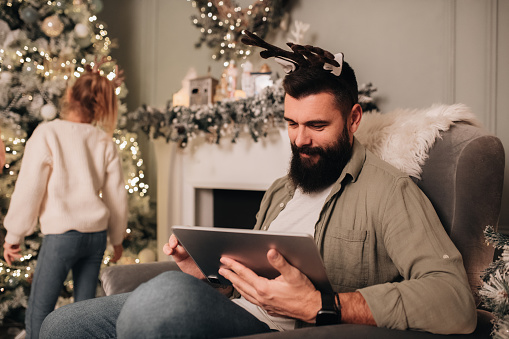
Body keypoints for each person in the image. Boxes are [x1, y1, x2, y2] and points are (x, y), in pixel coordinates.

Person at [39, 33, 476, 338]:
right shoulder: (281, 190)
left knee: (160, 301)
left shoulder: (389, 192)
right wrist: (213, 276)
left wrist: (323, 304)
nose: (301, 139)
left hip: (284, 329)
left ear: (354, 119)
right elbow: (252, 284)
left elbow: (455, 300)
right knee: (60, 326)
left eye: (318, 125)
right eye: (291, 123)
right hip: (232, 311)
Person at [1, 61, 128, 339]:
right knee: (84, 312)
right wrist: (117, 239)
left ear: (70, 96)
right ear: (99, 105)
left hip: (62, 238)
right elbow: (117, 194)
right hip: (96, 236)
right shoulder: (103, 140)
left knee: (39, 310)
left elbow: (30, 187)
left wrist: (14, 234)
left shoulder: (48, 133)